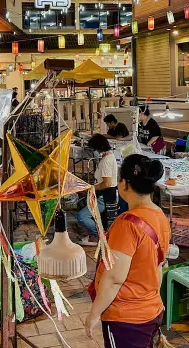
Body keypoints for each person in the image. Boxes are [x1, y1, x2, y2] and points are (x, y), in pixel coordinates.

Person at [85, 154, 170, 347]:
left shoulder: (126, 224)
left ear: (124, 184)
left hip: (126, 319)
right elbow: (157, 267)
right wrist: (154, 299)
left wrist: (94, 314)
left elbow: (114, 279)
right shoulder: (160, 216)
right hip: (152, 311)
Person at [77, 134, 119, 247]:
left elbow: (107, 183)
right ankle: (98, 234)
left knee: (82, 216)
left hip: (104, 196)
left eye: (93, 149)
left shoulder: (106, 161)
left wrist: (90, 188)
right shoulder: (109, 156)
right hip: (105, 195)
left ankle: (101, 235)